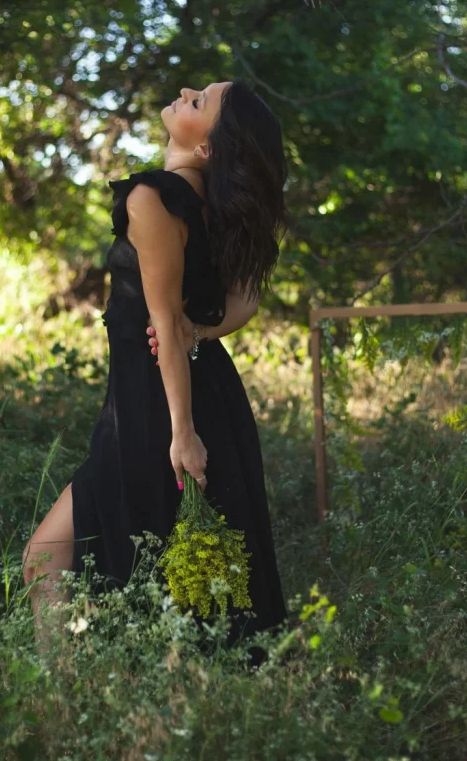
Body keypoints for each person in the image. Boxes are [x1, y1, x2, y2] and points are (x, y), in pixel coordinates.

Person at [22, 77, 290, 665]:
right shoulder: (212, 208)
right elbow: (243, 299)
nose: (187, 92)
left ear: (207, 148)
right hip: (186, 395)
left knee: (54, 556)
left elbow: (164, 324)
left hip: (159, 405)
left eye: (201, 101)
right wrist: (204, 334)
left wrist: (182, 431)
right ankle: (74, 690)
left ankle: (70, 691)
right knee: (174, 579)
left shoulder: (153, 197)